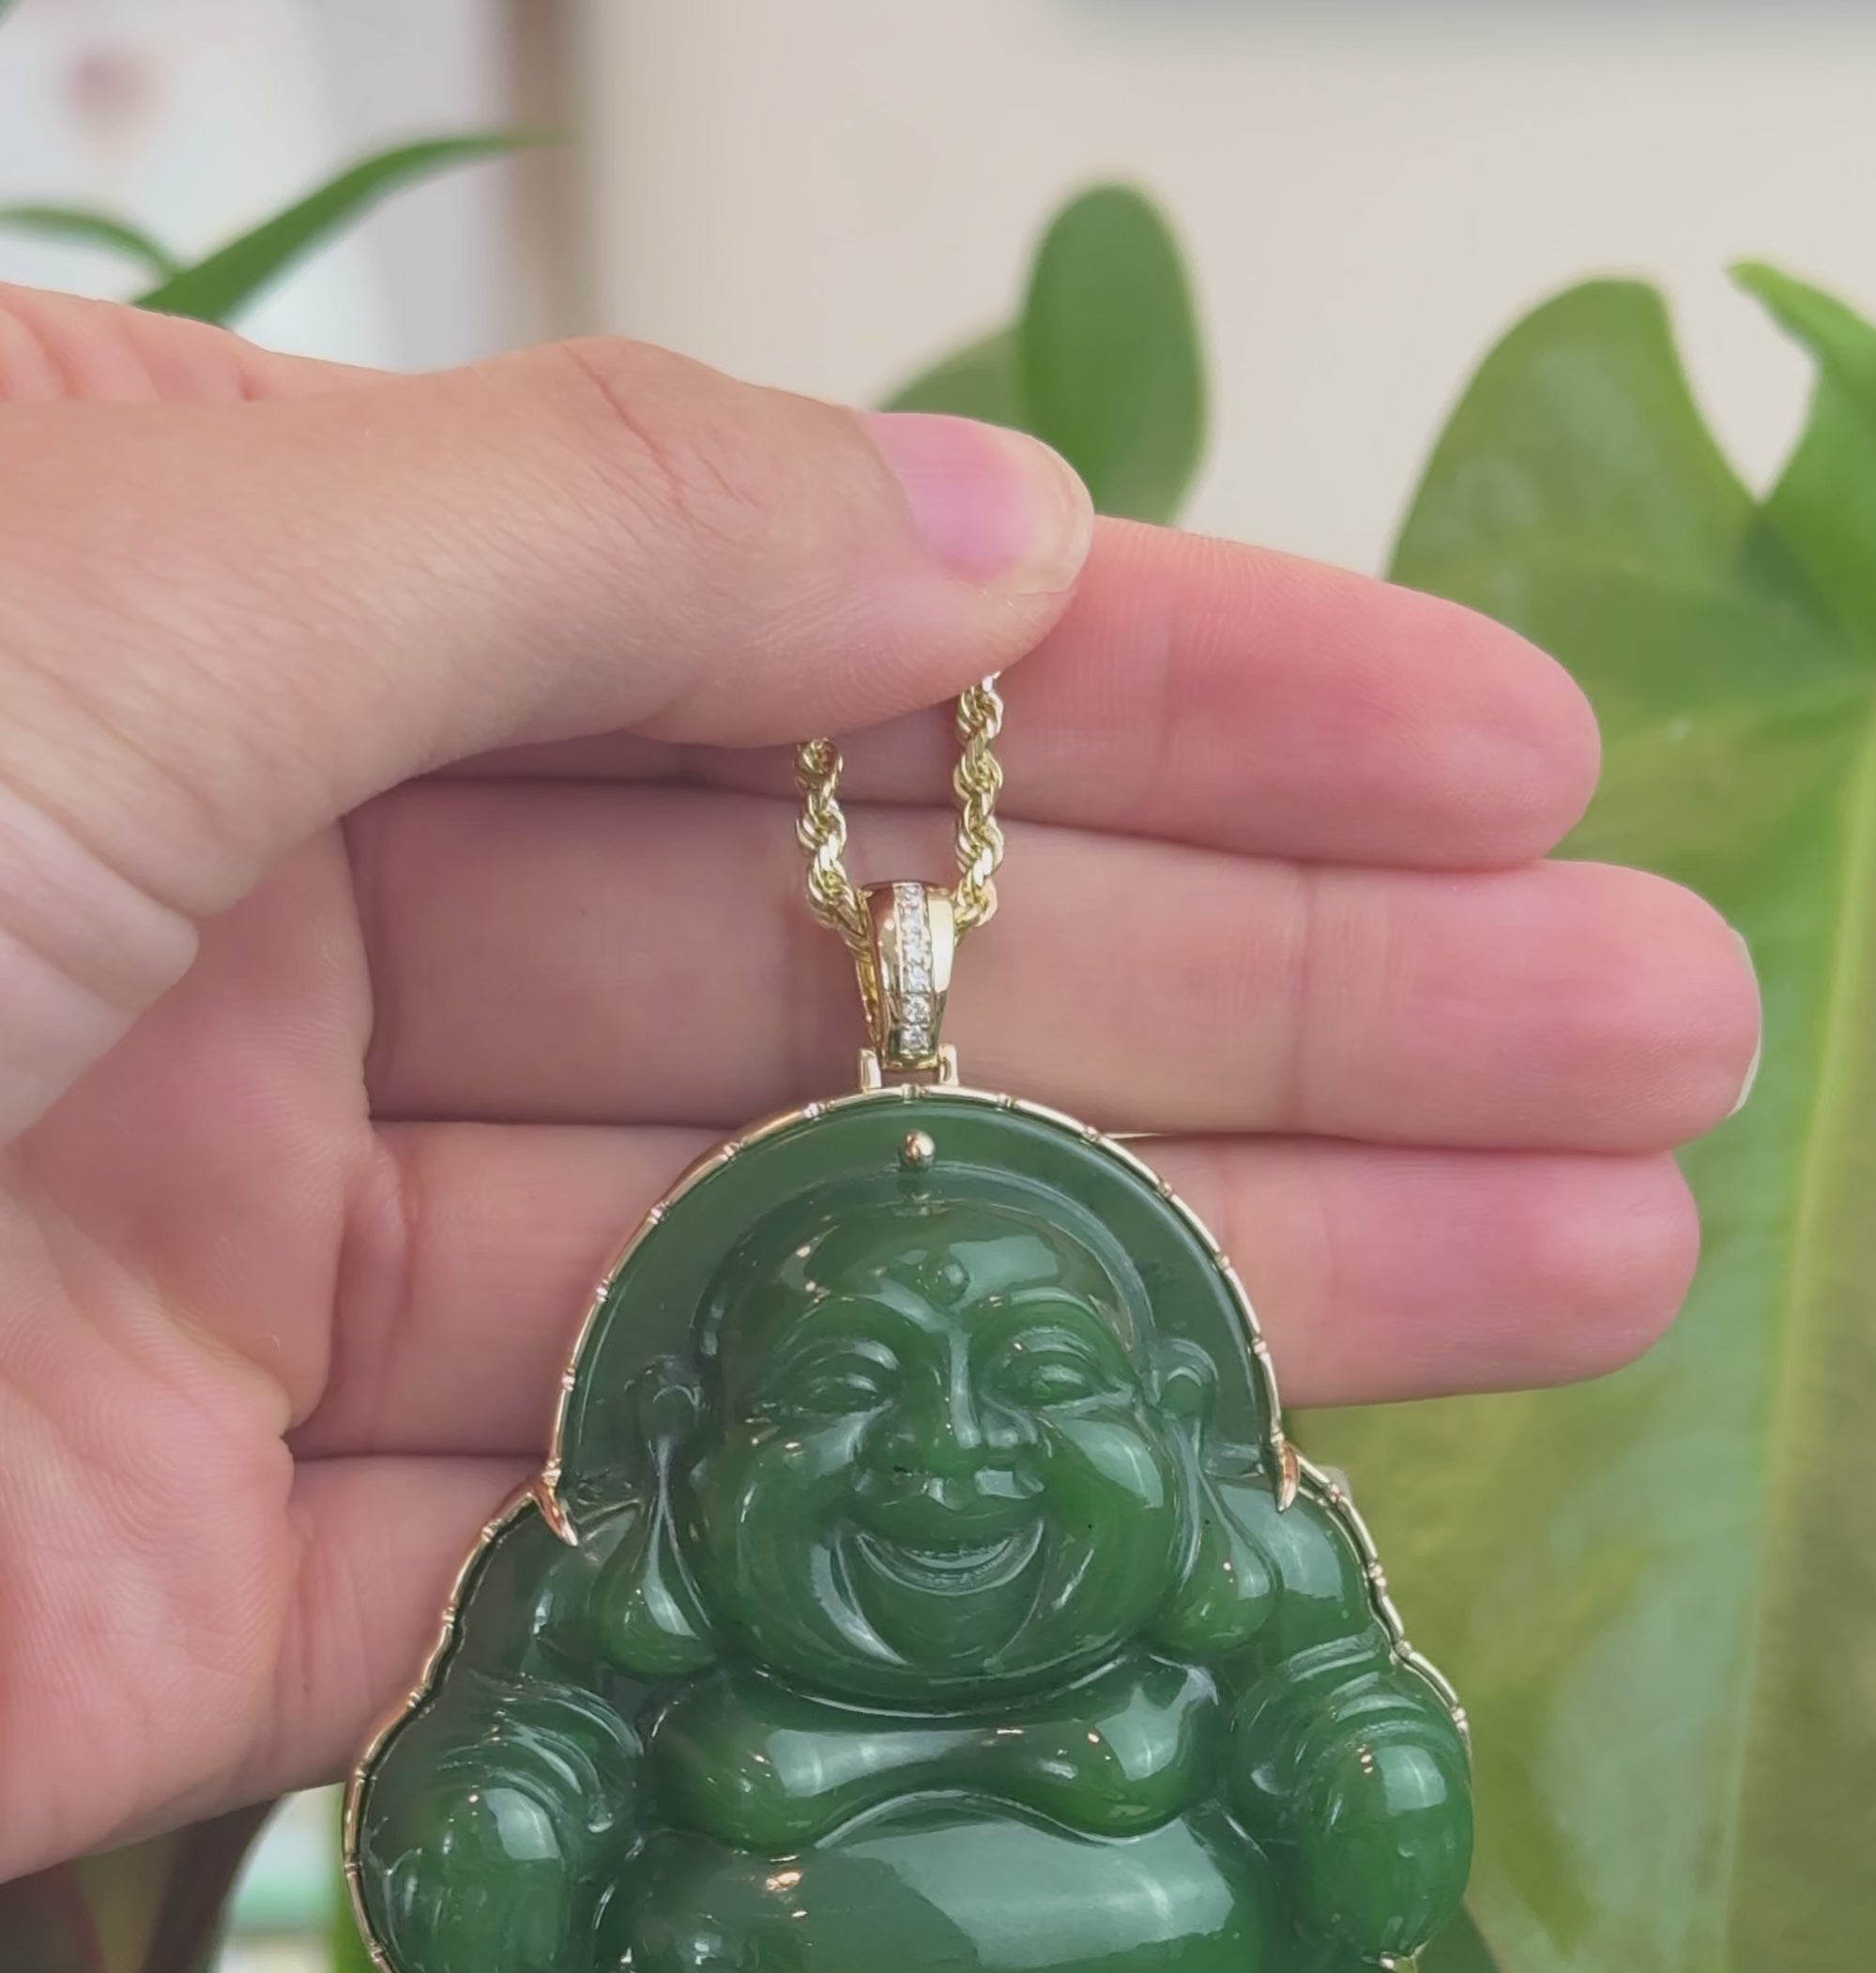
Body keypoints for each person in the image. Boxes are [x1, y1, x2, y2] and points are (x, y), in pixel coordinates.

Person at [0, 284, 1757, 1888]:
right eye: (844, 1383)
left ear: (1171, 1413)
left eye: (1049, 1378)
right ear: (689, 1436)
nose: (951, 1450)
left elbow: (1344, 1703)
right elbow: (509, 1736)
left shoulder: (1251, 1552)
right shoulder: (615, 1565)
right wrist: (502, 1823)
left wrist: (1366, 1776)